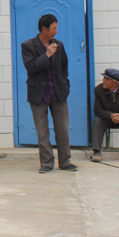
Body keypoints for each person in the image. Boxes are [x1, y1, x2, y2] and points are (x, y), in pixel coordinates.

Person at [21, 14, 77, 173]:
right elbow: (31, 67)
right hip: (38, 94)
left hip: (58, 93)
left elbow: (64, 67)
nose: (56, 31)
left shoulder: (59, 45)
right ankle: (46, 163)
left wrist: (65, 84)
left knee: (63, 130)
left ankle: (65, 161)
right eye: (54, 28)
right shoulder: (28, 45)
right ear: (44, 29)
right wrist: (47, 55)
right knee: (42, 132)